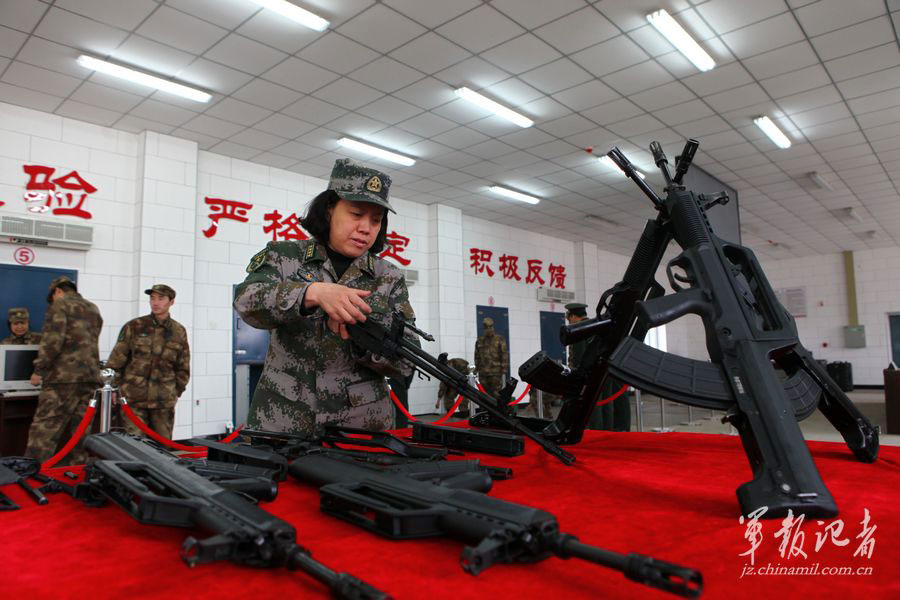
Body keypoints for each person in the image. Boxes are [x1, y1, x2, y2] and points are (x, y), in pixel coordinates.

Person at [234, 158, 415, 436]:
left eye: (376, 220)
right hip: (283, 415)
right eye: (356, 214)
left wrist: (364, 336)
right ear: (330, 209)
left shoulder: (388, 277)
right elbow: (247, 301)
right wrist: (311, 293)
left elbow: (406, 360)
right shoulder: (284, 256)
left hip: (360, 423)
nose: (366, 228)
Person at [24, 276, 102, 464]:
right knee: (81, 430)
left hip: (62, 379)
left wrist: (39, 370)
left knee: (45, 429)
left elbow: (52, 342)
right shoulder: (93, 308)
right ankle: (78, 470)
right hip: (90, 377)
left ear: (57, 291)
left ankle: (32, 471)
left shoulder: (59, 306)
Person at [106, 284, 190, 439]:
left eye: (161, 298)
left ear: (171, 302)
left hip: (163, 401)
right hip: (133, 399)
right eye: (152, 298)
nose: (155, 303)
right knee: (134, 445)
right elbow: (116, 360)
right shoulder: (135, 326)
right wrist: (114, 387)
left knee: (163, 445)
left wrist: (175, 392)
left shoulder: (178, 331)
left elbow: (183, 366)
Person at [565, 302, 630, 431]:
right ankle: (608, 429)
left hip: (590, 373)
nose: (569, 322)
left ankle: (597, 430)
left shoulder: (580, 329)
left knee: (593, 404)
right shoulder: (598, 326)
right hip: (606, 369)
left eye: (569, 319)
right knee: (607, 402)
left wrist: (577, 374)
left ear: (572, 316)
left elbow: (578, 356)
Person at [474, 317, 509, 399]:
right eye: (486, 328)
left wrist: (504, 369)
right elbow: (477, 356)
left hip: (495, 373)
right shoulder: (479, 340)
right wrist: (476, 369)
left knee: (496, 395)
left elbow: (504, 355)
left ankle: (496, 408)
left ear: (493, 327)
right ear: (484, 329)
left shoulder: (500, 339)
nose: (489, 330)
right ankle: (485, 408)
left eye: (490, 327)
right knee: (483, 395)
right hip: (483, 373)